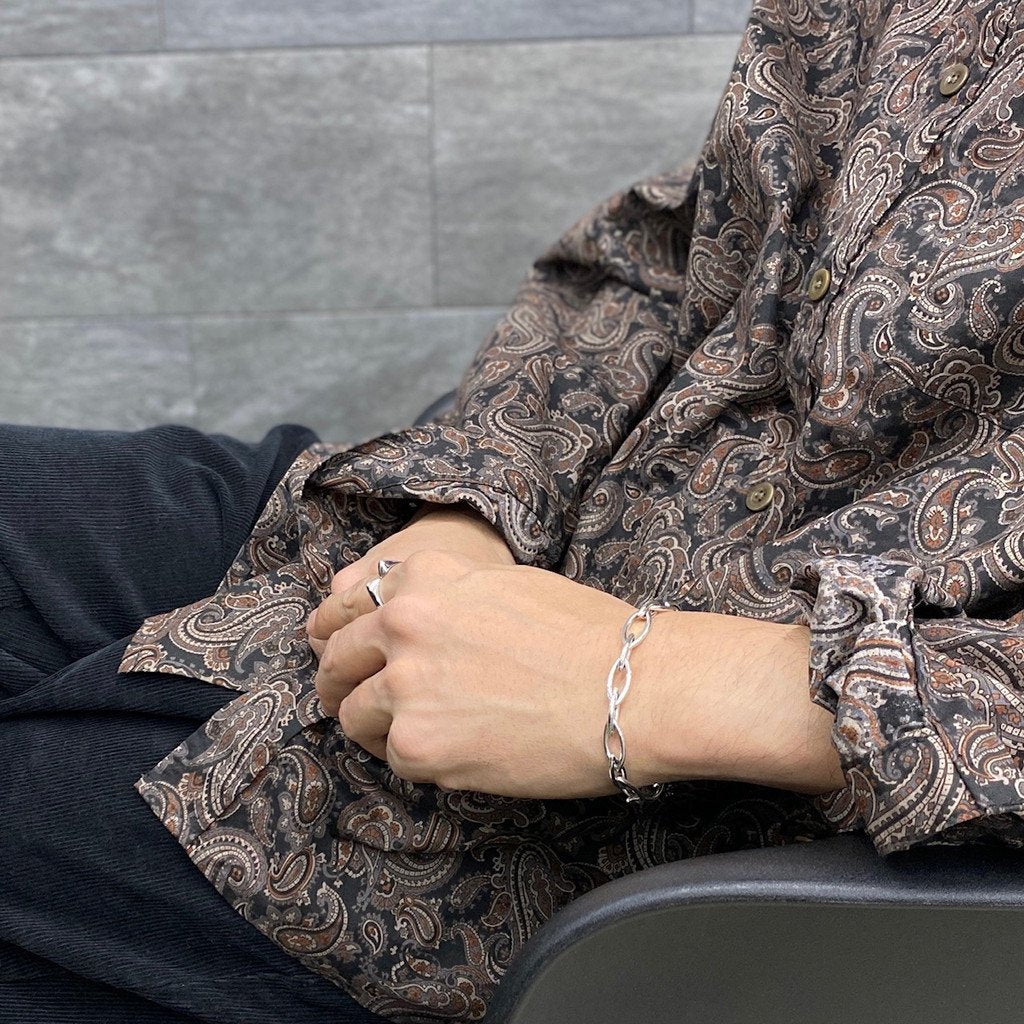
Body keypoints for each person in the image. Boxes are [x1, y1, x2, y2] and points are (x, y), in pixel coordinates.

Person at [6, 0, 1024, 1020]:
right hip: (492, 533)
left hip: (667, 846)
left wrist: (647, 680)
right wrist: (470, 509)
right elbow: (665, 259)